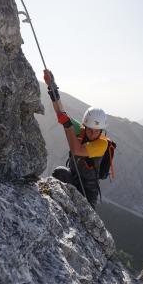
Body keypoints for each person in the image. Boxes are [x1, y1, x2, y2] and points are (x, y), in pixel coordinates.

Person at [44, 69, 108, 208]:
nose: (92, 133)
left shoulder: (102, 145)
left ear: (101, 130)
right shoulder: (82, 130)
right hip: (74, 180)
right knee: (59, 172)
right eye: (89, 129)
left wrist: (67, 126)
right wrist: (52, 89)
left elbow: (76, 150)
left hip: (87, 196)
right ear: (85, 125)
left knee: (60, 173)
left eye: (96, 131)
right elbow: (61, 114)